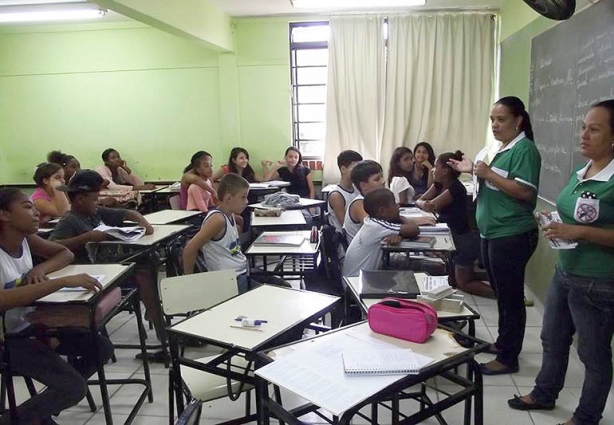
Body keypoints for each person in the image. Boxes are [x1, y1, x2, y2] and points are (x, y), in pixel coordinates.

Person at [508, 100, 614, 425]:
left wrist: (579, 230)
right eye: (583, 126)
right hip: (565, 272)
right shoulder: (583, 170)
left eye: (593, 129)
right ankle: (544, 393)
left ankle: (586, 416)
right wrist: (554, 221)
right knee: (552, 338)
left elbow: (588, 226)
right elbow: (573, 212)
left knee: (592, 356)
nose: (583, 135)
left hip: (598, 282)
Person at [0, 188, 111, 424]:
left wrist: (39, 269)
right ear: (5, 215)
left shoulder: (25, 238)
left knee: (100, 346)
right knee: (73, 389)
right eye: (27, 207)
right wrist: (59, 282)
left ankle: (40, 410)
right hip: (6, 340)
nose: (36, 212)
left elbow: (65, 253)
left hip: (29, 326)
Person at [449, 96, 541, 375]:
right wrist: (472, 172)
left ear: (518, 121)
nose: (495, 125)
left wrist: (488, 173)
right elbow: (496, 187)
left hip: (511, 234)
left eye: (501, 120)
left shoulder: (524, 149)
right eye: (492, 120)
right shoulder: (504, 149)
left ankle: (508, 358)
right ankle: (504, 343)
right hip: (492, 233)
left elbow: (525, 192)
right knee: (502, 295)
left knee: (511, 298)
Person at [183, 174, 288, 294]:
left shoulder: (230, 215)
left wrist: (266, 213)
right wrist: (189, 283)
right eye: (243, 197)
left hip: (242, 271)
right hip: (231, 280)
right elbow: (189, 249)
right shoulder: (217, 220)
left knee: (284, 286)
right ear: (228, 198)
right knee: (279, 294)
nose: (247, 201)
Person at [417, 151, 494, 298]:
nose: (432, 170)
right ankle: (500, 285)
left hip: (464, 240)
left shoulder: (455, 188)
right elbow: (420, 200)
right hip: (453, 238)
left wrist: (424, 203)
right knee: (457, 277)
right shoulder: (438, 185)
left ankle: (504, 294)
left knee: (463, 283)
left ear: (445, 171)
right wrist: (423, 203)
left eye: (435, 166)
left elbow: (430, 206)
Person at [342, 188, 419, 277]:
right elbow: (414, 229)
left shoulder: (371, 221)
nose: (398, 206)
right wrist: (400, 217)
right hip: (356, 282)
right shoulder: (376, 226)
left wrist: (398, 235)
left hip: (358, 278)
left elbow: (403, 231)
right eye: (394, 204)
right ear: (382, 211)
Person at [342, 160, 386, 245]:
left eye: (382, 177)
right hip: (364, 256)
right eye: (377, 179)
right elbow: (376, 228)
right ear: (363, 186)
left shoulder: (373, 201)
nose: (383, 181)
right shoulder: (359, 204)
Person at [327, 150, 363, 234]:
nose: (359, 171)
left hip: (358, 233)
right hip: (346, 240)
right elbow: (346, 226)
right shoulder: (336, 195)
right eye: (355, 167)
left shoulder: (357, 188)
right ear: (343, 169)